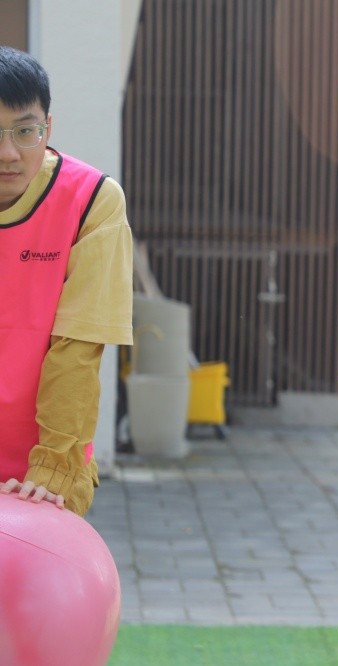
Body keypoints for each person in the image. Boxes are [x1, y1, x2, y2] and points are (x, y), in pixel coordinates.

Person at [0, 46, 133, 516]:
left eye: (25, 131)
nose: (8, 154)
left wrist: (52, 468)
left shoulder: (92, 201)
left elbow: (77, 351)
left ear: (48, 128)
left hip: (41, 468)